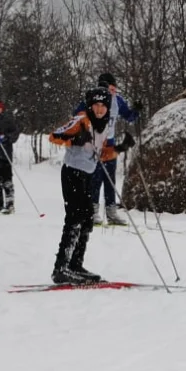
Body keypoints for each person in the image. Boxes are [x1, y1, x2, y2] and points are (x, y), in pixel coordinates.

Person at [48, 89, 114, 284]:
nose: (100, 109)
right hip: (72, 172)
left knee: (87, 217)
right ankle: (61, 267)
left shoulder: (105, 125)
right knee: (75, 217)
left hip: (87, 174)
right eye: (96, 105)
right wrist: (74, 139)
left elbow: (101, 149)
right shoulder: (81, 120)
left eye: (103, 106)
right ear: (90, 106)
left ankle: (75, 264)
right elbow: (54, 136)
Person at [79, 70, 139, 224]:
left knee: (109, 179)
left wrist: (136, 110)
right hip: (95, 143)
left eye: (114, 89)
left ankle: (111, 213)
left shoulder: (117, 100)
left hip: (110, 143)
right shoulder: (93, 99)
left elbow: (129, 117)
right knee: (96, 177)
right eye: (110, 89)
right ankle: (92, 212)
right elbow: (77, 114)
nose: (112, 92)